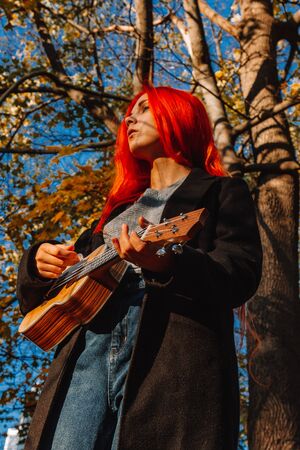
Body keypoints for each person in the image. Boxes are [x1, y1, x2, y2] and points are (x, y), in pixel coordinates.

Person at [17, 85, 262, 450]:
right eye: (130, 112)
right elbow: (49, 298)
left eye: (145, 109)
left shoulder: (222, 192)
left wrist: (166, 262)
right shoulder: (114, 217)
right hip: (86, 359)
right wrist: (40, 264)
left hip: (169, 367)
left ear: (178, 117)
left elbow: (239, 272)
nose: (129, 117)